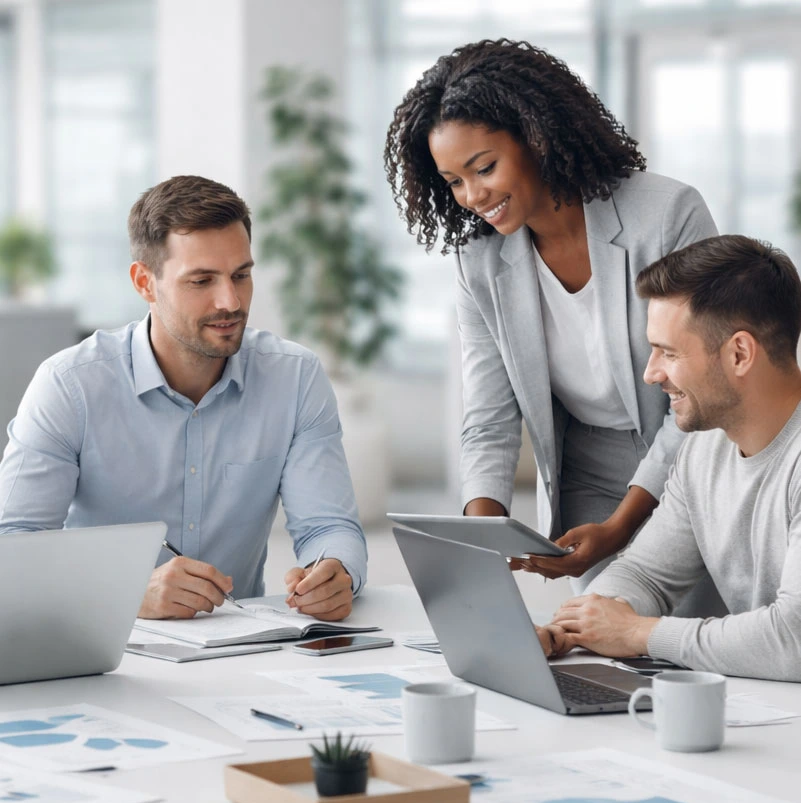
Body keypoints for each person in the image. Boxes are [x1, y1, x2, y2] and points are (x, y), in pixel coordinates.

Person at [384, 38, 718, 593]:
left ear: (537, 136)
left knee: (694, 640)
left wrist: (621, 527)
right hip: (585, 468)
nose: (472, 195)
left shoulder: (667, 216)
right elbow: (489, 417)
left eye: (484, 167)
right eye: (454, 182)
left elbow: (702, 393)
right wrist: (480, 543)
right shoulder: (480, 264)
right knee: (605, 637)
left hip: (694, 450)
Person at [0, 175, 367, 622]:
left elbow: (329, 526)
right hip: (103, 644)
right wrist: (127, 593)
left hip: (243, 650)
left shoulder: (295, 377)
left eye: (241, 275)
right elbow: (14, 547)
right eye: (201, 281)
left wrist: (336, 569)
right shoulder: (69, 385)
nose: (230, 301)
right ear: (145, 282)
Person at [546, 235, 801, 681]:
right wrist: (568, 630)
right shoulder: (703, 449)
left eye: (669, 352)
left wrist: (641, 634)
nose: (651, 373)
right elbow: (646, 574)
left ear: (739, 353)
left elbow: (794, 639)